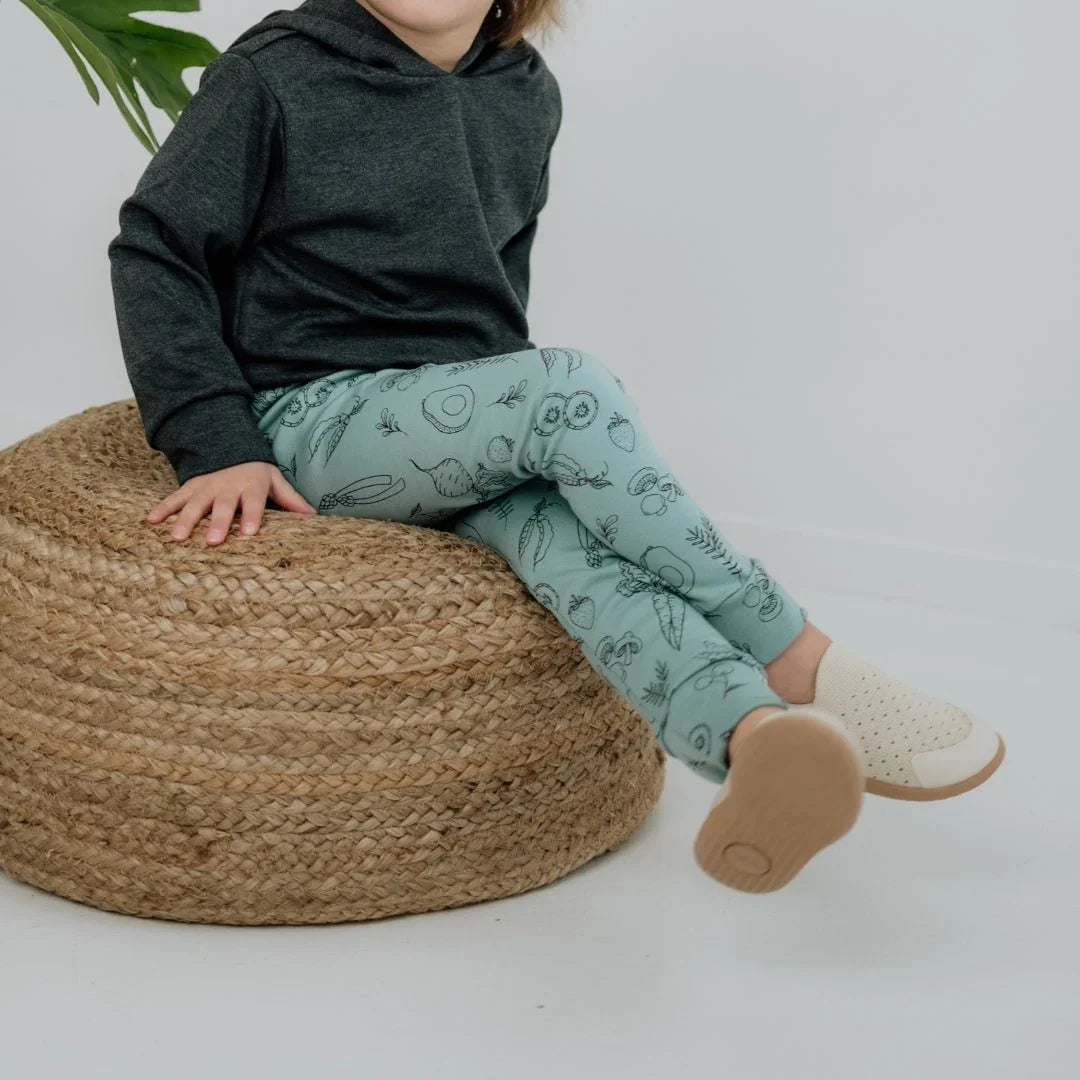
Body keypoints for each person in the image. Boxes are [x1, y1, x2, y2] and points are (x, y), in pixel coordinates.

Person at [107, 0, 1004, 894]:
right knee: (567, 388)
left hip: (452, 425)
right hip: (310, 416)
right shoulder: (274, 73)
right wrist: (215, 437)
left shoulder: (524, 90)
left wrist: (508, 438)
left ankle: (757, 737)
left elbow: (489, 291)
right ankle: (794, 653)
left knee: (580, 556)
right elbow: (157, 246)